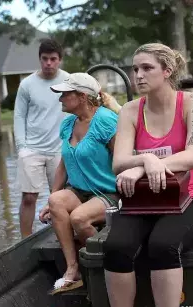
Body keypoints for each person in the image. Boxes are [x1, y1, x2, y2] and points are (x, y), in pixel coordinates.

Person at [102, 43, 193, 307]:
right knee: (115, 247)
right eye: (135, 69)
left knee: (162, 245)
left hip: (191, 197)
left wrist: (142, 166)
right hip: (144, 199)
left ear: (167, 71)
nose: (138, 75)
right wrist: (146, 159)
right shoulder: (129, 111)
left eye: (147, 68)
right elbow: (118, 162)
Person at [38, 73, 120, 294]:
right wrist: (51, 197)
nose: (60, 99)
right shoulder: (68, 124)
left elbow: (122, 159)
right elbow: (64, 165)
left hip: (109, 193)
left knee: (79, 217)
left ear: (82, 96)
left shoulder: (106, 120)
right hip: (78, 191)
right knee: (56, 201)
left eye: (65, 94)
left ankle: (109, 266)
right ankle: (72, 267)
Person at [14, 39, 70, 238]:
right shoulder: (27, 84)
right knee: (29, 197)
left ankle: (64, 236)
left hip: (60, 149)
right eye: (45, 59)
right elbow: (19, 116)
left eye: (53, 59)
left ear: (60, 60)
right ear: (40, 59)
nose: (48, 63)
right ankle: (24, 241)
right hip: (32, 149)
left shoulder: (69, 81)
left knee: (60, 197)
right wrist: (22, 147)